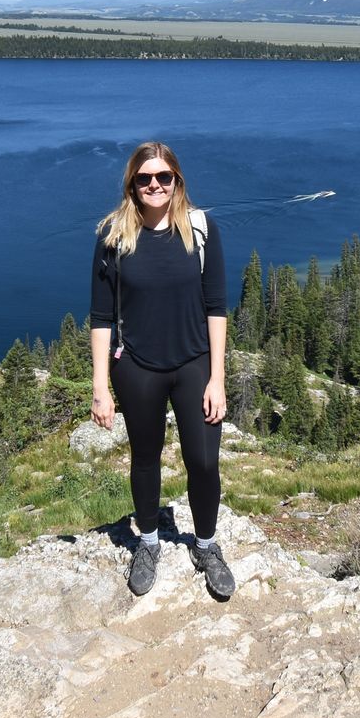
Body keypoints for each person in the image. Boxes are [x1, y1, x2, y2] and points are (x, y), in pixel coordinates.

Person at [89, 141, 235, 598]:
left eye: (163, 177)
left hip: (194, 364)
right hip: (137, 367)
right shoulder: (113, 236)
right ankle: (148, 543)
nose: (154, 185)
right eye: (144, 178)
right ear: (132, 184)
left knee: (204, 462)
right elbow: (100, 317)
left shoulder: (201, 230)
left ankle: (206, 545)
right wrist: (99, 387)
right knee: (146, 457)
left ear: (177, 181)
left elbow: (216, 307)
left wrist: (217, 378)